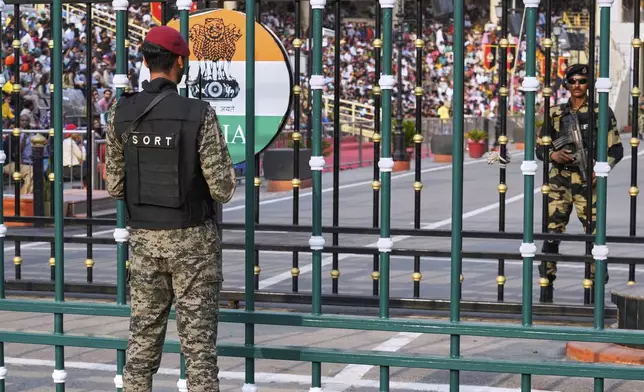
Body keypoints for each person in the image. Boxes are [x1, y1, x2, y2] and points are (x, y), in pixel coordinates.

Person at [104, 25, 237, 392]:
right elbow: (223, 188)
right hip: (193, 242)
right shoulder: (198, 113)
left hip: (145, 242)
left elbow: (114, 185)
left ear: (145, 61)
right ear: (181, 62)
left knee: (141, 346)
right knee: (199, 354)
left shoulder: (121, 111)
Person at [535, 63, 624, 303]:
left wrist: (601, 168)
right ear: (565, 84)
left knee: (595, 236)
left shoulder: (600, 112)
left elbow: (616, 148)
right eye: (572, 81)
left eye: (582, 81)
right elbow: (540, 148)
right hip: (560, 180)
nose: (577, 85)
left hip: (588, 181)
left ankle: (594, 292)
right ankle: (546, 287)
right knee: (551, 234)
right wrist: (553, 155)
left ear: (588, 85)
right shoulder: (554, 113)